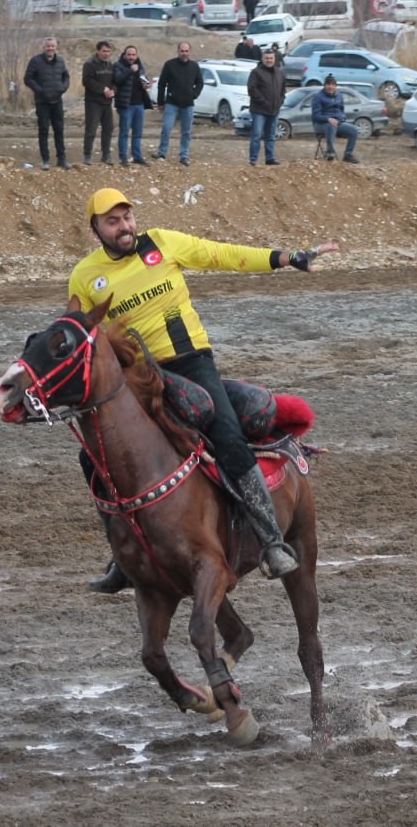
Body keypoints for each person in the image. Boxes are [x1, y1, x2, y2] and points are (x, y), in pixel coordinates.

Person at [69, 187, 340, 593]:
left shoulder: (163, 243)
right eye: (113, 221)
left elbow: (224, 254)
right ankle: (122, 558)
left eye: (127, 217)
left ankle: (271, 541)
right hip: (139, 379)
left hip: (191, 362)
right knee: (94, 456)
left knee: (226, 433)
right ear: (96, 229)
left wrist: (284, 258)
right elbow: (78, 336)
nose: (124, 226)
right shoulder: (85, 275)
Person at [23, 37, 71, 170]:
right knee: (44, 130)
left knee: (59, 130)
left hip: (57, 101)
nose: (50, 49)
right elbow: (28, 79)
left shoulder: (60, 61)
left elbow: (66, 76)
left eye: (53, 46)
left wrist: (63, 88)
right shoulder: (36, 61)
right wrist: (40, 90)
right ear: (44, 47)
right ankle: (45, 160)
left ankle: (62, 159)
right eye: (48, 46)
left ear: (56, 48)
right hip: (42, 101)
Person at [156, 42, 203, 166]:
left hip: (188, 104)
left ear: (190, 52)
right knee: (166, 128)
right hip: (172, 103)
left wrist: (194, 94)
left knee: (186, 132)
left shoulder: (194, 66)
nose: (184, 53)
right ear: (178, 51)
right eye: (182, 51)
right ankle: (162, 152)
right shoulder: (169, 65)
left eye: (186, 51)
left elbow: (200, 83)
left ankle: (184, 155)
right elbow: (161, 84)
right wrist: (160, 102)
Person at [113, 44, 154, 167]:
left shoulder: (140, 67)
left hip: (139, 104)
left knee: (137, 132)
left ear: (136, 56)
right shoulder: (118, 66)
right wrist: (130, 71)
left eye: (133, 55)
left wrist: (146, 85)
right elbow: (117, 80)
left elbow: (143, 80)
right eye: (129, 55)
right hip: (126, 104)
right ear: (124, 55)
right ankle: (123, 157)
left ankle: (137, 156)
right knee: (124, 132)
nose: (131, 57)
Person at [247, 49, 285, 165]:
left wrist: (280, 101)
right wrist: (264, 102)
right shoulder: (256, 72)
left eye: (271, 58)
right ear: (262, 59)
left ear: (274, 59)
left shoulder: (280, 73)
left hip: (274, 110)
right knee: (257, 135)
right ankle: (253, 159)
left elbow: (283, 90)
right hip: (259, 110)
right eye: (266, 58)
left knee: (271, 136)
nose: (269, 60)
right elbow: (252, 90)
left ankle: (270, 158)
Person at [81, 40, 115, 166]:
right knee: (91, 129)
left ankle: (106, 155)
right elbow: (87, 81)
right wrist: (103, 89)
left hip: (107, 102)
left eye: (108, 51)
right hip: (93, 102)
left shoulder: (110, 65)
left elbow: (114, 81)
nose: (106, 54)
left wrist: (113, 91)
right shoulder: (90, 64)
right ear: (98, 51)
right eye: (104, 51)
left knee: (108, 128)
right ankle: (87, 155)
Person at [312, 75, 359, 163]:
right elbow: (316, 116)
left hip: (337, 123)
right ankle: (330, 152)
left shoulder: (339, 96)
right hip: (321, 124)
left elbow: (341, 111)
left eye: (333, 85)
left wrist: (341, 119)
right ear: (325, 85)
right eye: (328, 84)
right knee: (331, 125)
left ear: (335, 86)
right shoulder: (318, 97)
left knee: (354, 130)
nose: (330, 87)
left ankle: (348, 154)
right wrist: (328, 119)